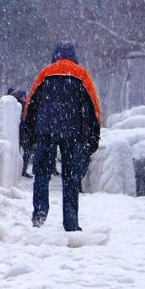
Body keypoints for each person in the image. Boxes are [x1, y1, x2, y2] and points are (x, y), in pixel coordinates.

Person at [23, 42, 101, 232]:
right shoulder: (81, 74)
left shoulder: (44, 73)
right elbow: (93, 108)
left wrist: (29, 131)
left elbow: (30, 105)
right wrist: (93, 135)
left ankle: (40, 211)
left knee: (41, 172)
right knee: (70, 177)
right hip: (72, 132)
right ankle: (71, 221)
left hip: (45, 131)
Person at [14, 89, 31, 177]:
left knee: (21, 152)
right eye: (24, 96)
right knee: (26, 152)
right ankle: (22, 170)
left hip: (20, 133)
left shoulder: (17, 106)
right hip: (22, 132)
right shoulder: (23, 106)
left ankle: (20, 170)